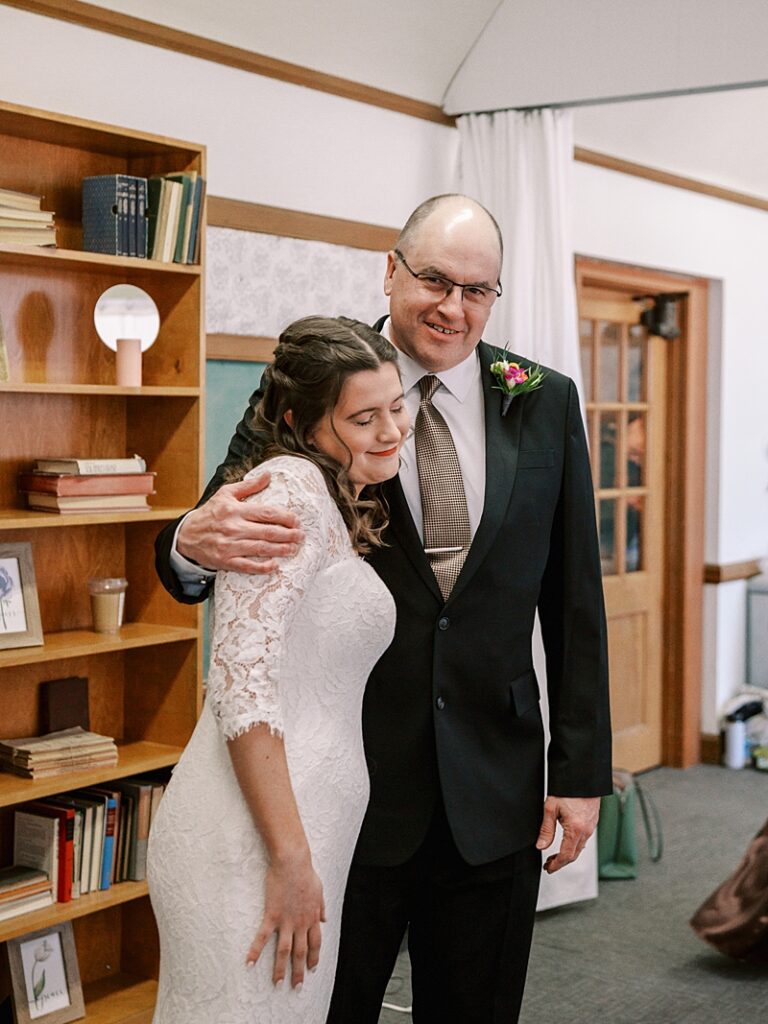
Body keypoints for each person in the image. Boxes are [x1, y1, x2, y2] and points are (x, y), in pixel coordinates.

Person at [155, 194, 612, 1024]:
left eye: (479, 289)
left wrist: (580, 775)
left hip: (495, 780)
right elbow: (219, 531)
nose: (454, 306)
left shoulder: (542, 400)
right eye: (435, 279)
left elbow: (575, 600)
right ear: (391, 270)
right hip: (346, 791)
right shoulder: (322, 383)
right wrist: (188, 540)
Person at [147, 316, 409, 1024]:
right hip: (256, 842)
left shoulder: (331, 488)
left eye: (397, 406)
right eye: (364, 417)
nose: (391, 430)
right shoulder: (286, 493)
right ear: (300, 420)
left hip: (301, 832)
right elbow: (241, 688)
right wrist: (291, 859)